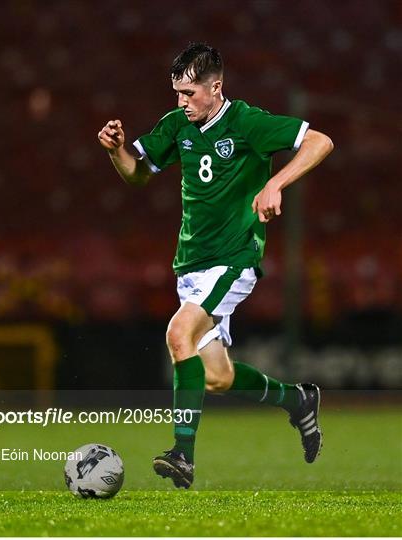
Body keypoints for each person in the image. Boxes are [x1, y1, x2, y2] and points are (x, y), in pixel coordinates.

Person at [98, 42, 334, 489]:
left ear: (216, 87)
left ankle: (182, 455)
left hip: (233, 259)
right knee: (218, 378)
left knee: (177, 334)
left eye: (189, 94)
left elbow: (321, 141)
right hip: (190, 265)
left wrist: (275, 183)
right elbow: (136, 174)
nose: (181, 103)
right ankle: (298, 400)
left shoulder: (247, 122)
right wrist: (115, 150)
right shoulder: (176, 126)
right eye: (177, 94)